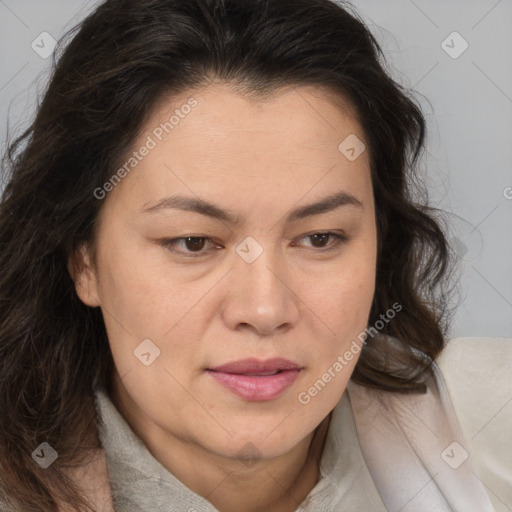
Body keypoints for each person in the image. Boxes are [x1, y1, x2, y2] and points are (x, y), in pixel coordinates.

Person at [0, 0, 510, 511]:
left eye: (320, 238)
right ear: (83, 260)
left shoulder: (486, 427)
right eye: (193, 242)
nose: (264, 310)